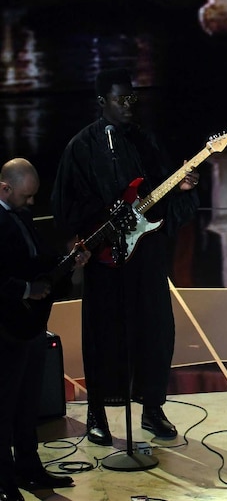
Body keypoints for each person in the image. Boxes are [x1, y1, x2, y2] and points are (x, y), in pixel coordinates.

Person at [52, 68, 200, 445]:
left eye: (132, 97)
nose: (129, 105)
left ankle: (152, 409)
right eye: (121, 99)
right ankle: (96, 413)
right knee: (104, 334)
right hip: (105, 259)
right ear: (102, 102)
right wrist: (103, 218)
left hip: (146, 255)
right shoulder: (80, 147)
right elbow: (66, 205)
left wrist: (181, 188)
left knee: (155, 329)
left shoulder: (146, 142)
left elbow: (163, 199)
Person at [0, 158, 89, 501]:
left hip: (29, 327)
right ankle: (5, 481)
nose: (32, 203)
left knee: (26, 406)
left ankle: (28, 467)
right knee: (4, 409)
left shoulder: (19, 217)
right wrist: (26, 290)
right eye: (27, 196)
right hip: (6, 330)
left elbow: (39, 264)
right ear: (5, 188)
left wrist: (69, 262)